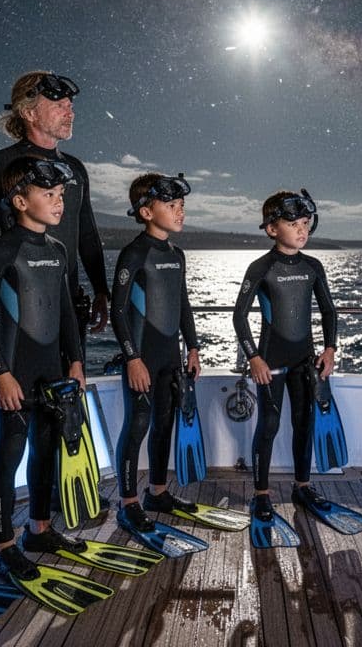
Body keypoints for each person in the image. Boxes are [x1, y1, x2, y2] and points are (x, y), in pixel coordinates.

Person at [0, 156, 122, 611]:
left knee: (46, 448)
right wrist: (0, 372)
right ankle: (2, 546)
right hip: (15, 371)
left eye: (61, 196)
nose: (59, 204)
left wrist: (77, 361)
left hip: (54, 372)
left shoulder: (57, 250)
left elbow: (64, 313)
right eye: (49, 196)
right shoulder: (2, 250)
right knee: (10, 452)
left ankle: (38, 529)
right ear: (20, 201)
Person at [0, 71, 109, 341]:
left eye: (70, 106)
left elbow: (87, 235)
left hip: (70, 307)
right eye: (58, 106)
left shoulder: (75, 169)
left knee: (74, 381)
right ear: (29, 113)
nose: (70, 113)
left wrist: (101, 290)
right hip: (18, 306)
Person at [233, 191, 339, 537]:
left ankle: (302, 486)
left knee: (304, 422)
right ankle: (262, 495)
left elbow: (328, 311)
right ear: (271, 229)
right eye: (293, 224)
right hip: (272, 361)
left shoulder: (313, 266)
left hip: (305, 360)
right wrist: (254, 357)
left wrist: (330, 349)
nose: (301, 230)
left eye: (305, 223)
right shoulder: (261, 267)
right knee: (270, 423)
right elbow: (239, 317)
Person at [109, 173, 204, 529]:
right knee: (138, 425)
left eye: (182, 206)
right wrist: (132, 357)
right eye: (171, 206)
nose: (180, 212)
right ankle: (129, 501)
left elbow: (183, 305)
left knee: (165, 423)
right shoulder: (134, 254)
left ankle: (158, 492)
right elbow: (119, 311)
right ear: (146, 212)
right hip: (142, 359)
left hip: (170, 358)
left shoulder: (176, 255)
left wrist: (192, 347)